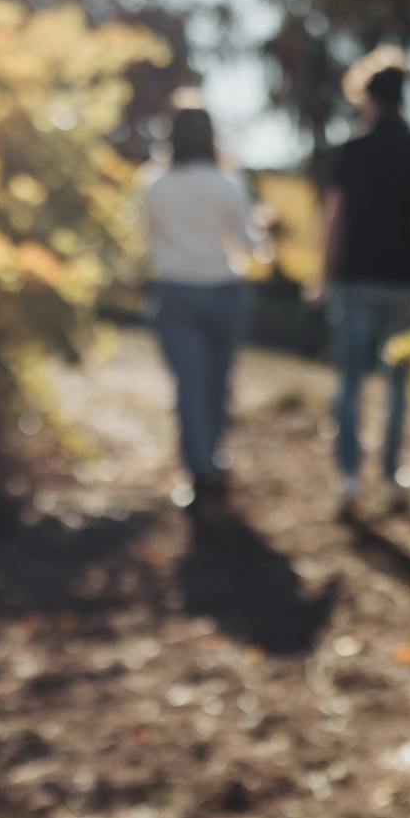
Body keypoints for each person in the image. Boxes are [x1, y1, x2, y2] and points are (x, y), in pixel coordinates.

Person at [316, 46, 410, 513]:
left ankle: (350, 477)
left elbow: (334, 219)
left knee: (350, 381)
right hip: (401, 279)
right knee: (396, 383)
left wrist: (320, 276)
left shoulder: (351, 150)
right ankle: (391, 475)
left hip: (354, 279)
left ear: (367, 97)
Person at [143, 106, 258, 513]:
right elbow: (247, 242)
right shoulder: (228, 183)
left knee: (188, 384)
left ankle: (198, 468)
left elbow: (145, 240)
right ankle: (212, 456)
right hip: (223, 289)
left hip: (174, 290)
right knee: (217, 380)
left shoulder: (154, 185)